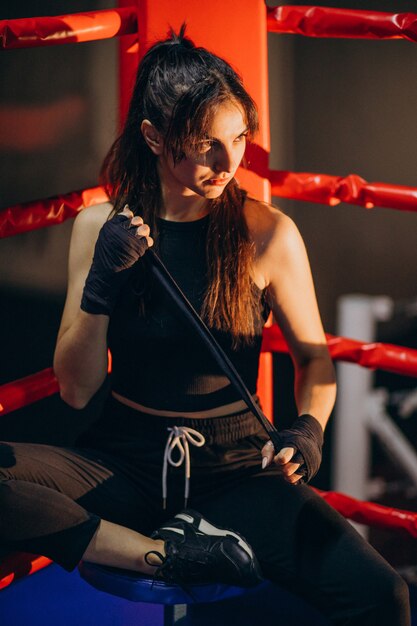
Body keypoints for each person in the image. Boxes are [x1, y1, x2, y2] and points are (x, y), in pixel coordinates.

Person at [0, 26, 410, 625]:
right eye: (204, 143)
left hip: (237, 473)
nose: (228, 162)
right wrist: (101, 285)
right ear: (154, 136)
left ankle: (169, 549)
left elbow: (316, 362)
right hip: (126, 463)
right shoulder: (101, 227)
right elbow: (76, 388)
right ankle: (158, 554)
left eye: (239, 138)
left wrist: (309, 430)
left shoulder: (268, 234)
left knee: (383, 595)